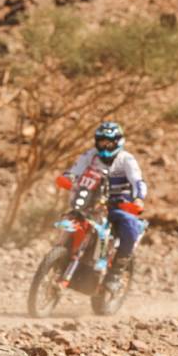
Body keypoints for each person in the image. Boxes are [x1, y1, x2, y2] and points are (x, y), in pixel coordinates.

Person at [56, 122, 147, 291]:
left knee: (130, 225)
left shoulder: (126, 160)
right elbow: (75, 170)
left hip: (118, 203)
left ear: (118, 142)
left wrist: (138, 199)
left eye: (109, 142)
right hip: (91, 200)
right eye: (101, 141)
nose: (104, 146)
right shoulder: (90, 155)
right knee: (73, 217)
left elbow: (137, 181)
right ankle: (61, 255)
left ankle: (116, 273)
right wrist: (68, 177)